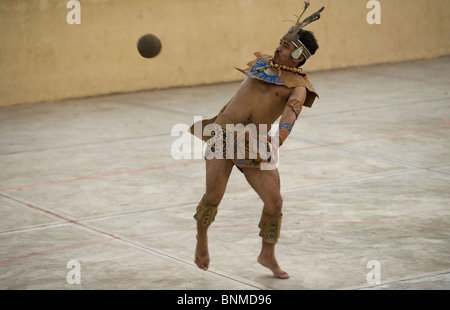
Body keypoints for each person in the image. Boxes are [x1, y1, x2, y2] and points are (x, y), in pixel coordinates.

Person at [190, 3, 324, 279]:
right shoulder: (260, 63)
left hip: (255, 144)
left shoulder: (298, 87)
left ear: (299, 55)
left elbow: (290, 115)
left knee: (274, 202)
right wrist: (221, 119)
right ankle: (201, 238)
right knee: (213, 196)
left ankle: (267, 255)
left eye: (286, 46)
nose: (278, 48)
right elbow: (239, 96)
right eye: (280, 42)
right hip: (224, 133)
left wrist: (278, 139)